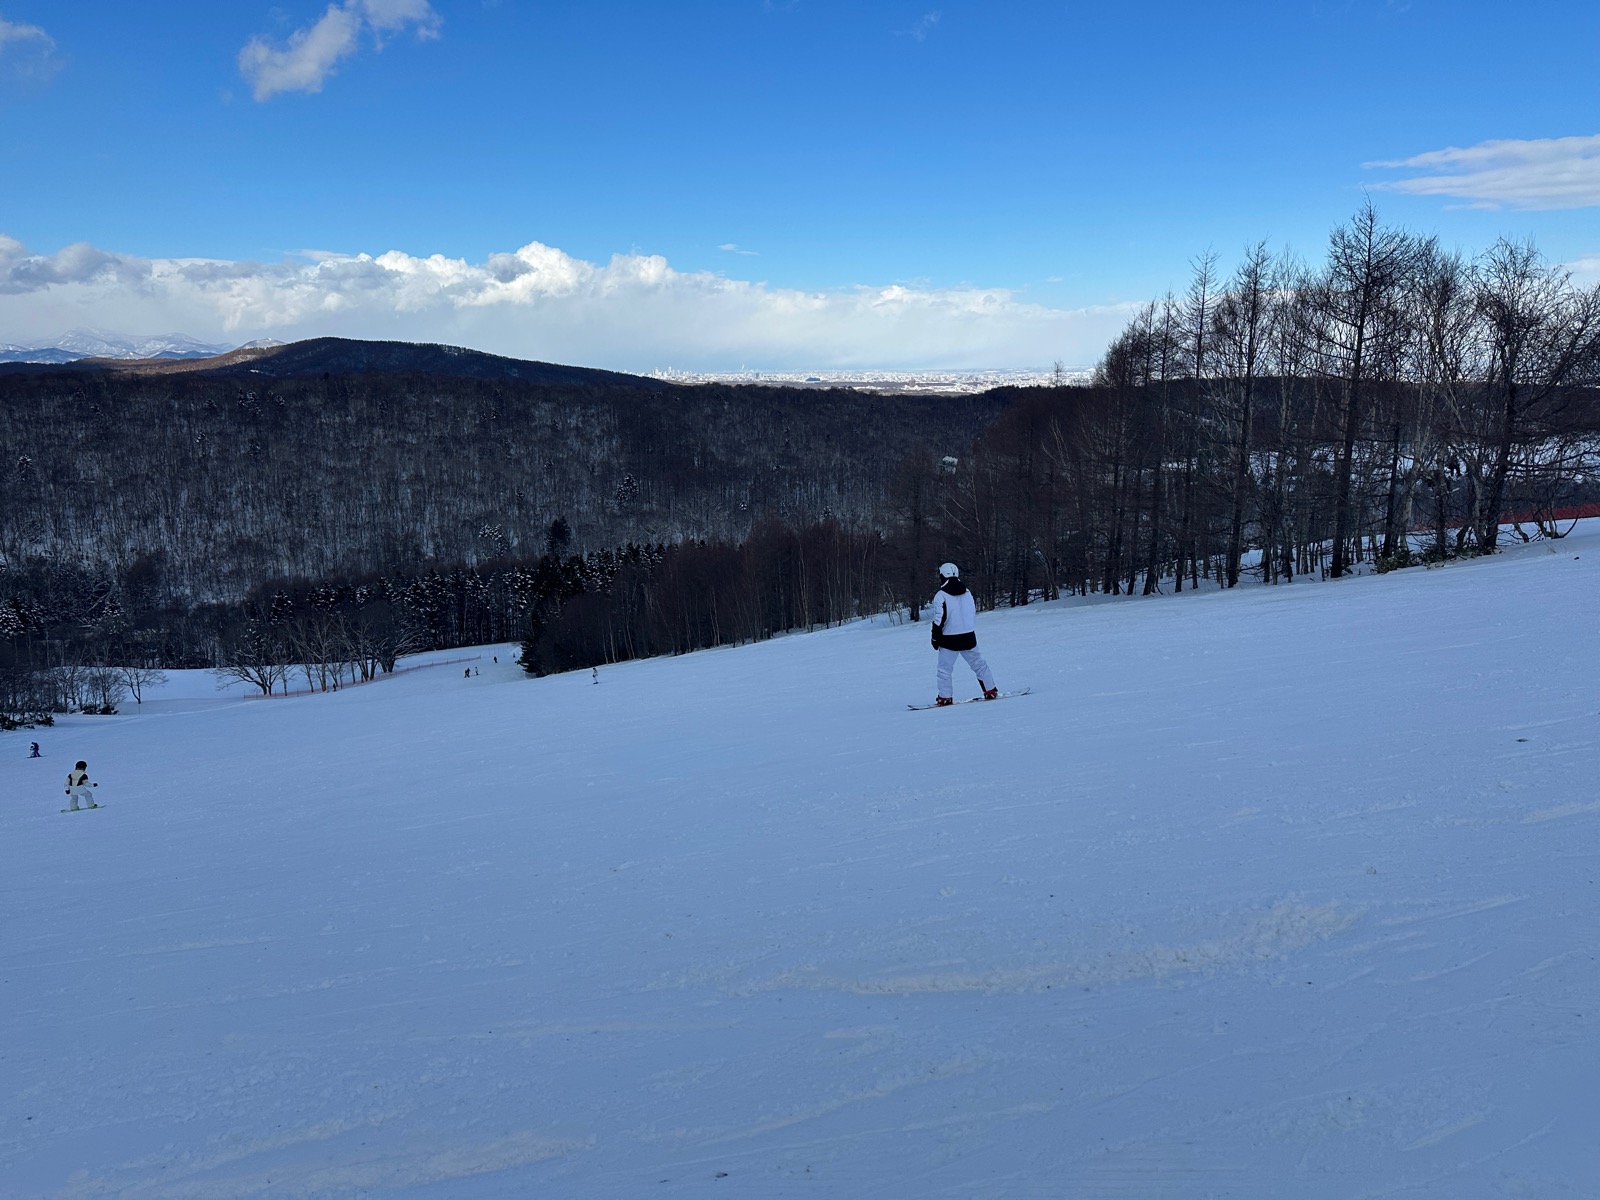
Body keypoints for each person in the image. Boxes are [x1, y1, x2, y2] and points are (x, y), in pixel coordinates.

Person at [929, 562, 998, 706]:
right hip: (968, 636)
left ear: (942, 575)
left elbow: (938, 619)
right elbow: (971, 613)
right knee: (979, 664)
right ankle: (990, 689)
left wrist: (935, 637)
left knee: (944, 670)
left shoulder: (940, 595)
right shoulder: (967, 592)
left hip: (949, 639)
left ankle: (945, 697)